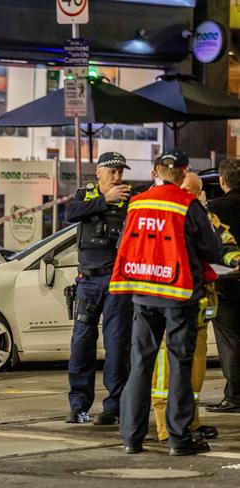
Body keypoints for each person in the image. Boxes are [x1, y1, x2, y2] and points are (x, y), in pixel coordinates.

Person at [111, 150, 223, 456]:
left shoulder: (138, 202)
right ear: (184, 172)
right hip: (178, 295)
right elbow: (212, 250)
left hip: (143, 293)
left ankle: (131, 438)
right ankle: (178, 437)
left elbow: (125, 244)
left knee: (140, 364)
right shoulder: (187, 203)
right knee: (179, 364)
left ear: (157, 170)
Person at [151, 171, 240, 442]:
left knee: (196, 366)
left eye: (199, 192)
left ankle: (190, 421)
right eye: (191, 191)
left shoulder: (203, 217)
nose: (196, 197)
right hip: (172, 303)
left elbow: (223, 244)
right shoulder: (167, 216)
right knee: (168, 366)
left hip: (199, 302)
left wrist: (235, 260)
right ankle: (166, 426)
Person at [64, 151, 133, 425]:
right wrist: (105, 200)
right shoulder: (85, 195)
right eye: (112, 171)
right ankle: (78, 406)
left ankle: (113, 408)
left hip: (117, 282)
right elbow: (70, 213)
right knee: (81, 343)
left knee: (116, 346)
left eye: (120, 172)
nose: (117, 177)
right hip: (88, 282)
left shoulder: (130, 199)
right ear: (99, 172)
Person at [206, 159, 240, 413]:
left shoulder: (214, 208)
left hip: (228, 283)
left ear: (222, 181)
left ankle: (235, 396)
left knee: (229, 339)